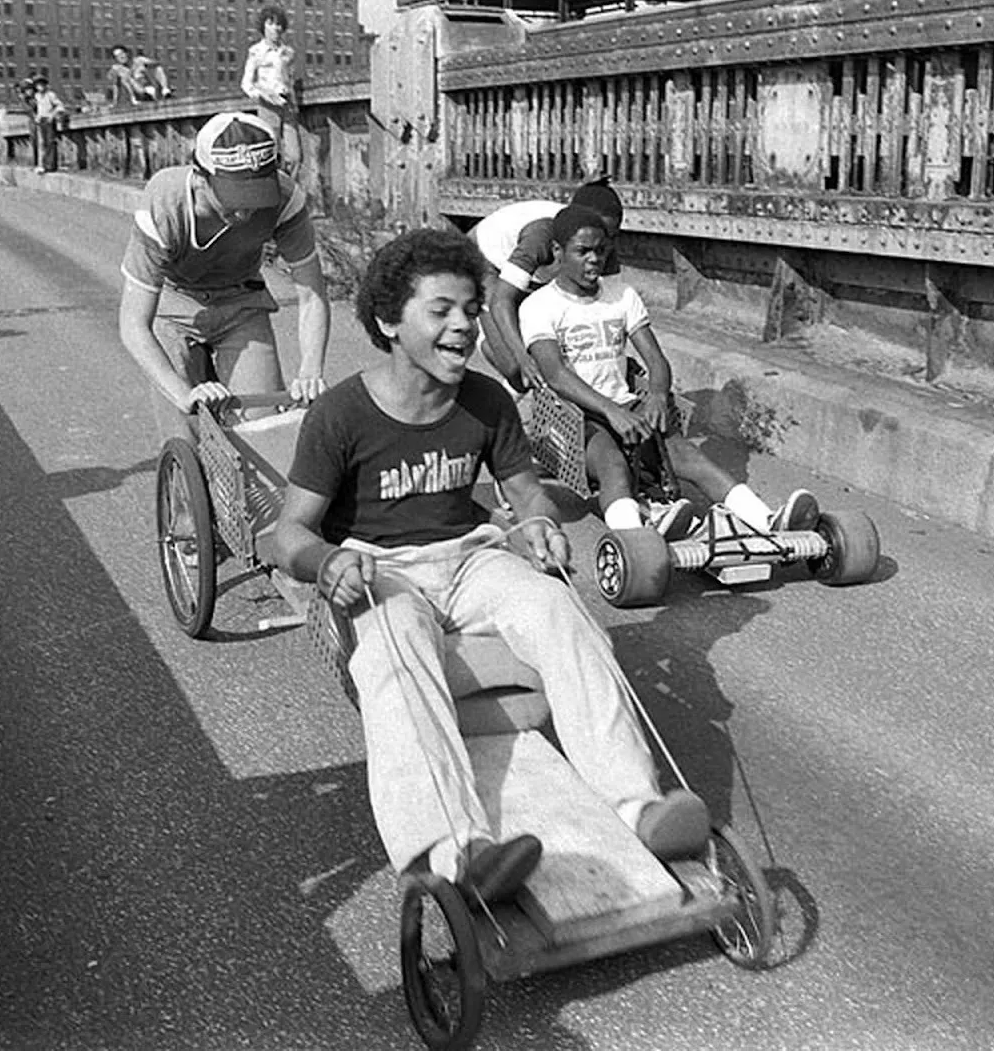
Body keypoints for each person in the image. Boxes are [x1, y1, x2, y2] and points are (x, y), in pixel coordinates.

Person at [271, 227, 710, 903]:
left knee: (559, 611)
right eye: (440, 310)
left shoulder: (485, 400)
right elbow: (289, 531)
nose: (464, 326)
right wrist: (325, 562)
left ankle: (638, 805)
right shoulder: (341, 416)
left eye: (472, 311)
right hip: (380, 567)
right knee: (396, 654)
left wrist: (536, 522)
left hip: (470, 557)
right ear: (389, 322)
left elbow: (523, 487)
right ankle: (455, 849)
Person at [522, 205, 820, 540]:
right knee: (613, 467)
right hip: (574, 417)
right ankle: (638, 544)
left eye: (600, 250)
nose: (594, 260)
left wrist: (658, 397)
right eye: (583, 252)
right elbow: (556, 375)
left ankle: (769, 522)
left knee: (688, 456)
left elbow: (656, 360)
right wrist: (612, 412)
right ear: (559, 252)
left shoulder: (622, 295)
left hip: (625, 406)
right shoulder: (539, 306)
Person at [118, 112, 330, 441]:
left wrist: (310, 371)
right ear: (201, 177)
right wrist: (181, 394)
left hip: (241, 303)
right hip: (175, 305)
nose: (245, 213)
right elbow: (133, 324)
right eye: (233, 199)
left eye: (256, 197)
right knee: (183, 430)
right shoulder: (164, 204)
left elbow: (311, 294)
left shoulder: (286, 200)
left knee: (261, 431)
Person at [469, 178, 625, 394]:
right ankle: (486, 339)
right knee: (515, 367)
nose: (605, 244)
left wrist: (618, 355)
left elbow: (606, 303)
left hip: (531, 271)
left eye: (612, 236)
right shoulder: (541, 235)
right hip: (485, 261)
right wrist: (523, 358)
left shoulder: (602, 241)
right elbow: (501, 301)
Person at [240, 3, 303, 178]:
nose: (276, 28)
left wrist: (294, 104)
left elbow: (290, 80)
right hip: (268, 106)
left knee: (295, 156)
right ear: (263, 27)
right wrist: (264, 95)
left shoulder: (288, 53)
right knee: (271, 155)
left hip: (287, 105)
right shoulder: (256, 52)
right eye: (271, 23)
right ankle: (273, 194)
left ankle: (289, 188)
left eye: (279, 24)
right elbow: (246, 84)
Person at [30, 76, 66, 174]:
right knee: (42, 143)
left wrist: (52, 115)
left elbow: (60, 106)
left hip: (49, 121)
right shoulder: (37, 96)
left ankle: (51, 166)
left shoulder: (50, 95)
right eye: (38, 85)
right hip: (41, 121)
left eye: (41, 84)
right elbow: (38, 109)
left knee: (50, 142)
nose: (40, 87)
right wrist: (37, 116)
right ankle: (43, 165)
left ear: (45, 85)